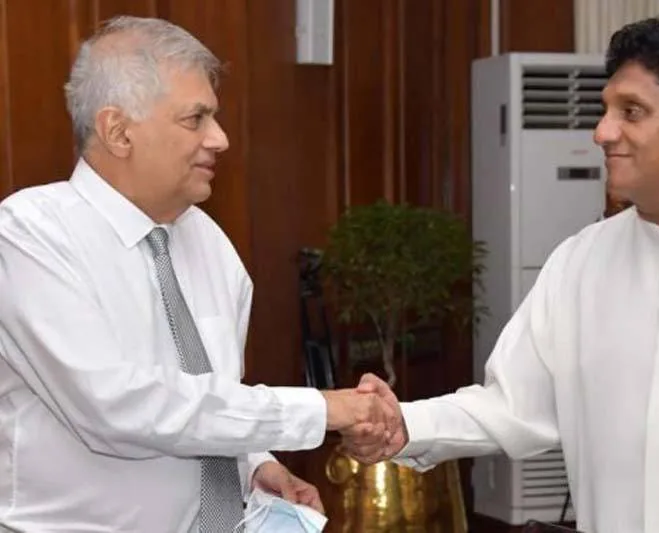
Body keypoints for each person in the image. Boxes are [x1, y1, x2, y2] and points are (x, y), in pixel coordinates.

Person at [346, 13, 659, 533]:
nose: (602, 132)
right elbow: (512, 404)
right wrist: (404, 424)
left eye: (632, 111)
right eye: (605, 110)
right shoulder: (581, 261)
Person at [0, 16, 393, 533]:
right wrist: (320, 409)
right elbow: (115, 408)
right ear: (118, 131)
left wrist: (256, 464)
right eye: (196, 119)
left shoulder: (209, 241)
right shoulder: (28, 234)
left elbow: (210, 393)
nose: (221, 138)